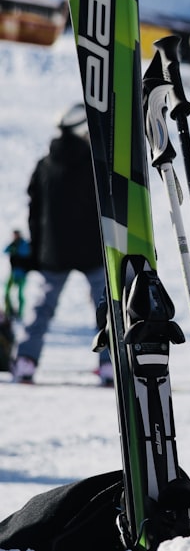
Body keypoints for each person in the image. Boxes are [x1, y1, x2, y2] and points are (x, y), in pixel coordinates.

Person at [11, 103, 111, 385]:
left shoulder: (45, 164)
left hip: (54, 251)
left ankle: (25, 361)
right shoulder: (96, 164)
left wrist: (36, 250)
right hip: (92, 250)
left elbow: (35, 211)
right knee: (105, 306)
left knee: (42, 307)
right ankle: (109, 363)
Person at [4, 229, 32, 319]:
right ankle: (8, 311)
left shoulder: (24, 243)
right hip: (13, 273)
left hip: (22, 274)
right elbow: (5, 250)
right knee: (7, 292)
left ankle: (20, 313)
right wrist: (12, 247)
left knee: (20, 295)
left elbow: (26, 253)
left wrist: (16, 249)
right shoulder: (13, 244)